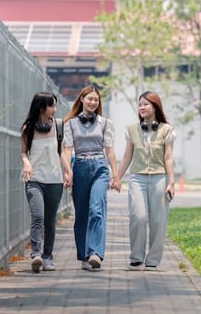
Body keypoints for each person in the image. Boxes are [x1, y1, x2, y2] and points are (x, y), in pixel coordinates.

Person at [115, 91, 176, 271]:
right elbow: (127, 156)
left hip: (159, 177)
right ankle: (136, 257)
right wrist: (117, 177)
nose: (142, 107)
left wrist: (171, 181)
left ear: (155, 106)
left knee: (158, 219)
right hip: (137, 178)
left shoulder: (167, 130)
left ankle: (153, 259)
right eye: (140, 104)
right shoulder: (132, 129)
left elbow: (168, 158)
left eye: (145, 104)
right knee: (138, 216)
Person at [61, 85, 119, 270]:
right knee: (82, 215)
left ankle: (95, 253)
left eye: (96, 100)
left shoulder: (106, 123)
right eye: (90, 99)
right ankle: (84, 255)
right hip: (79, 167)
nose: (93, 102)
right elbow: (68, 149)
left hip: (100, 167)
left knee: (96, 209)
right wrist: (68, 171)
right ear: (81, 99)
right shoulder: (70, 123)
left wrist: (115, 175)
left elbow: (109, 149)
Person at [20, 92, 65, 273]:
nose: (55, 109)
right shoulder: (28, 128)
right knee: (38, 216)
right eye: (52, 106)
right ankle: (36, 255)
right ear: (41, 108)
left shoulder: (59, 126)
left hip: (55, 180)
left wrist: (68, 171)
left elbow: (61, 152)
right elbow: (23, 152)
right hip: (34, 179)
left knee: (50, 221)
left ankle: (48, 258)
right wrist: (27, 163)